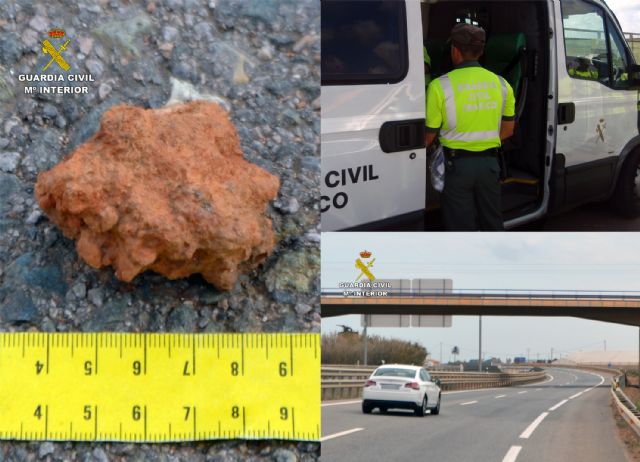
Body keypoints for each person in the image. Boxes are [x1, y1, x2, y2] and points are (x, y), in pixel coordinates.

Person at [425, 23, 515, 231]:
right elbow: (509, 130)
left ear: (454, 50)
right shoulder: (502, 84)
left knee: (460, 225)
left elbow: (428, 138)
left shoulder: (439, 86)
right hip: (490, 165)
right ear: (481, 51)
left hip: (456, 168)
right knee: (492, 221)